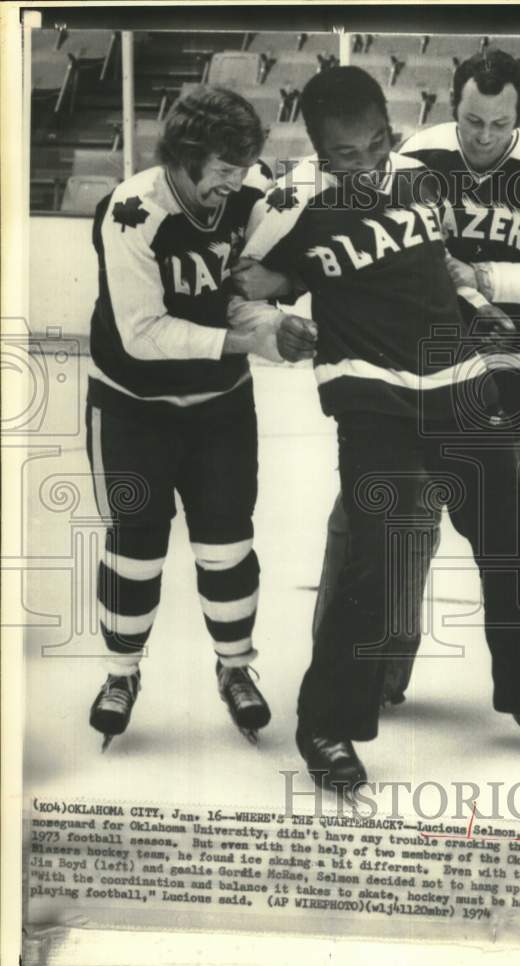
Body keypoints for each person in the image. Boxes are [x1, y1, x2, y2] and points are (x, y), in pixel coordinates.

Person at [232, 65, 520, 791]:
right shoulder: (292, 204)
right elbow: (241, 288)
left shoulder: (422, 181)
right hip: (372, 399)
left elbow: (434, 266)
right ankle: (327, 725)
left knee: (510, 543)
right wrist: (275, 321)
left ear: (388, 137)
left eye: (368, 150)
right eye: (340, 159)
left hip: (458, 385)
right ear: (316, 151)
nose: (357, 170)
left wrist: (468, 298)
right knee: (378, 560)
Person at [311, 47, 520, 712]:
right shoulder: (417, 156)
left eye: (499, 125)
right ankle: (368, 675)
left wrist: (488, 279)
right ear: (454, 107)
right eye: (473, 122)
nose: (484, 138)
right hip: (425, 372)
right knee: (379, 519)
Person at [85, 85, 317, 750]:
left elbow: (233, 300)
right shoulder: (130, 212)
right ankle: (121, 672)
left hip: (219, 407)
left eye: (241, 170)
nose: (232, 185)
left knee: (227, 542)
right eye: (220, 171)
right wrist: (246, 339)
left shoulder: (247, 195)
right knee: (135, 545)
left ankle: (235, 667)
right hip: (132, 409)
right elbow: (142, 333)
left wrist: (277, 330)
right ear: (183, 160)